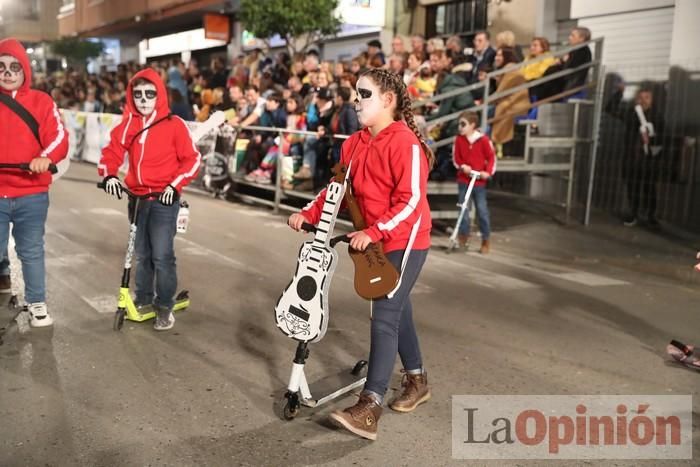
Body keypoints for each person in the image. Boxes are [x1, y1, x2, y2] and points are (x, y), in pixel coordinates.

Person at [288, 68, 434, 441]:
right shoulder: (354, 143)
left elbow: (412, 202)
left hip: (405, 237)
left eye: (364, 95)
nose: (356, 101)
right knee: (397, 306)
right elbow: (336, 189)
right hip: (376, 238)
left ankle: (370, 405)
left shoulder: (405, 144)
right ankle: (417, 379)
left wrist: (374, 231)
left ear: (388, 100)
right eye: (356, 94)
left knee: (384, 311)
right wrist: (309, 214)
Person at [98, 68, 201, 331]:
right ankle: (143, 298)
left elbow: (192, 159)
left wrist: (174, 185)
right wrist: (109, 175)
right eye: (138, 94)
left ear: (160, 95)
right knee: (142, 254)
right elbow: (111, 151)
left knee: (162, 255)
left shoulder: (173, 124)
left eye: (150, 94)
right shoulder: (128, 125)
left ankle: (164, 306)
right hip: (136, 198)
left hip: (164, 200)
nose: (143, 99)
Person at [0, 38, 69, 326]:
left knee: (30, 250)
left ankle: (37, 301)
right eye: (1, 66)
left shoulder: (41, 101)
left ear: (25, 70)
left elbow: (59, 137)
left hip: (32, 193)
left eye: (14, 66)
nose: (7, 72)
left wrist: (45, 157)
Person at [453, 111, 496, 253]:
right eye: (459, 124)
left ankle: (485, 239)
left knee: (482, 211)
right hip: (464, 180)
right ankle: (463, 239)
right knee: (463, 210)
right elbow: (456, 158)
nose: (460, 127)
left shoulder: (483, 140)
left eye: (463, 124)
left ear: (472, 125)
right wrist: (462, 166)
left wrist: (487, 172)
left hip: (478, 182)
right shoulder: (459, 140)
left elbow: (491, 157)